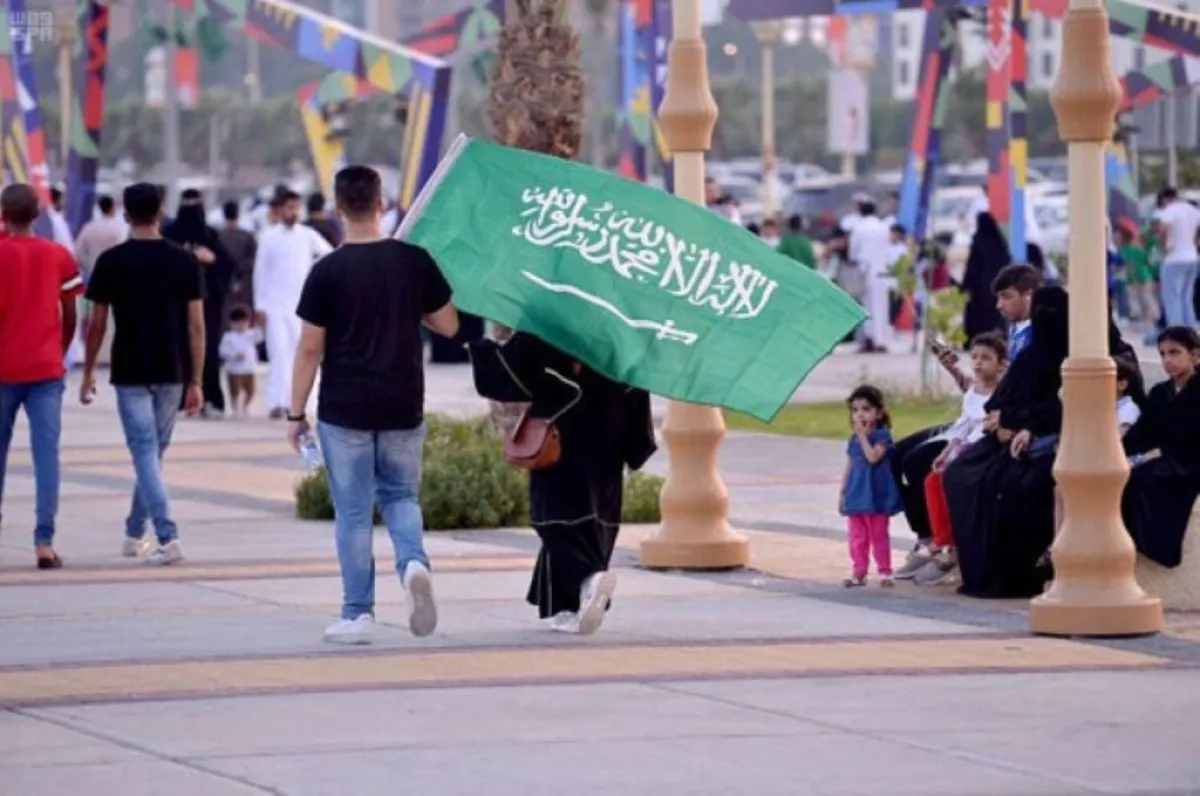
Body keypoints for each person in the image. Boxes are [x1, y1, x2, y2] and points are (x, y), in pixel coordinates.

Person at [288, 165, 459, 644]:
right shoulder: (414, 261)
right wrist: (410, 307)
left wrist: (295, 413)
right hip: (403, 402)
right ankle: (413, 564)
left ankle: (357, 614)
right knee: (402, 496)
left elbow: (309, 349)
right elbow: (449, 325)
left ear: (339, 208)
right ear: (381, 204)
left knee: (354, 512)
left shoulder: (326, 271)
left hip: (345, 408)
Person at [941, 287, 1129, 599]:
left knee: (1011, 483)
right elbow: (1002, 400)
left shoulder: (1085, 357)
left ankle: (1022, 575)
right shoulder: (1033, 353)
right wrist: (1000, 423)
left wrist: (1025, 426)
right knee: (961, 474)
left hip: (1056, 442)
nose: (1045, 319)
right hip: (1010, 438)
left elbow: (1065, 407)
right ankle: (976, 569)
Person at [469, 332, 656, 634]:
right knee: (597, 517)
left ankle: (588, 578)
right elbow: (635, 379)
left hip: (560, 431)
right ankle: (567, 607)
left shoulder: (552, 317)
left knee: (552, 518)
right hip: (608, 429)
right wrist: (635, 441)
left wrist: (482, 348)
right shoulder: (615, 323)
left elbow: (512, 371)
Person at [81, 183, 205, 566]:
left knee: (145, 452)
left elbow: (96, 324)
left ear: (126, 215)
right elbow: (196, 327)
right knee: (151, 452)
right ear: (161, 212)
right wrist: (196, 380)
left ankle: (166, 535)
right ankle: (135, 532)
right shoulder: (184, 261)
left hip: (129, 367)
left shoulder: (111, 261)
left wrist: (88, 371)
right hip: (172, 368)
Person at [0, 184, 84, 569]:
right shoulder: (57, 255)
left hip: (4, 368)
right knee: (46, 455)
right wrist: (59, 349)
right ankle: (44, 542)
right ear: (37, 215)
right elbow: (71, 313)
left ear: (3, 215)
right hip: (46, 369)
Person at [917, 333, 1008, 585]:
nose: (978, 363)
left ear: (1001, 364)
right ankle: (944, 542)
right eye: (975, 357)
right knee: (933, 479)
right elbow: (964, 424)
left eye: (986, 358)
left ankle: (954, 546)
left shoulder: (1002, 392)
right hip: (966, 445)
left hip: (986, 447)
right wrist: (948, 449)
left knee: (952, 479)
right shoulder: (972, 392)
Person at [1121, 326, 1200, 568]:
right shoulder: (1160, 392)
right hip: (1166, 458)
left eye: (1175, 353)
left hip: (1191, 461)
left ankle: (1153, 548)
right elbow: (1143, 432)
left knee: (1145, 480)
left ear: (1195, 355)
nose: (1167, 360)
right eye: (1163, 354)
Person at [254, 189, 334, 419]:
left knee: (303, 353)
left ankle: (303, 404)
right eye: (289, 208)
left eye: (296, 208)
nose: (293, 212)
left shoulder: (308, 235)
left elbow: (329, 255)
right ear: (281, 210)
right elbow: (260, 273)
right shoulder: (268, 237)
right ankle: (277, 402)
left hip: (302, 306)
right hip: (275, 306)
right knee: (279, 353)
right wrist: (260, 306)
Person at [164, 190, 236, 418]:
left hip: (207, 304)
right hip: (176, 305)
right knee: (178, 351)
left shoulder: (211, 236)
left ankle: (210, 399)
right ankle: (179, 400)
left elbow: (228, 267)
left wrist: (211, 259)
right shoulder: (169, 235)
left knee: (209, 351)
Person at [838, 385, 903, 588]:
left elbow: (873, 457)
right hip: (857, 493)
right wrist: (843, 492)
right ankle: (859, 571)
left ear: (879, 413)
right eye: (855, 410)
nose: (860, 414)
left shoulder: (882, 436)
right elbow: (850, 465)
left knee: (878, 534)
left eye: (866, 409)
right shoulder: (853, 440)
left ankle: (885, 571)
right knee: (857, 536)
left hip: (877, 495)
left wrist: (863, 436)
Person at [848, 197, 893, 353]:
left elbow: (853, 251)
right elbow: (888, 248)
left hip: (865, 270)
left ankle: (868, 339)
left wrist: (854, 260)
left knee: (867, 305)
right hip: (882, 270)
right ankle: (881, 339)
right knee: (881, 305)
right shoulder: (883, 227)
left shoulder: (859, 228)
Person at [961, 213, 1013, 341]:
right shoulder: (999, 243)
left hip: (979, 290)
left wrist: (965, 286)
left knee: (978, 319)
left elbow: (972, 266)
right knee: (995, 317)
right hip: (996, 289)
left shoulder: (978, 241)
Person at [1153, 187, 1200, 328]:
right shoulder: (1192, 210)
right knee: (1186, 297)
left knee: (1172, 297)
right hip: (1192, 257)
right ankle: (1191, 329)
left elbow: (1163, 228)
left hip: (1174, 258)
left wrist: (1163, 245)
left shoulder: (1170, 210)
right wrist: (1194, 243)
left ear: (1165, 200)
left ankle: (1176, 331)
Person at [219, 306, 262, 417]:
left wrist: (259, 323)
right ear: (231, 324)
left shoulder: (250, 335)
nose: (241, 326)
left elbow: (260, 336)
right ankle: (235, 407)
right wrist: (234, 355)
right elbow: (222, 351)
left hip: (249, 369)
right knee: (235, 391)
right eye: (237, 323)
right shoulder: (228, 337)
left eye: (243, 323)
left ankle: (245, 405)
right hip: (234, 370)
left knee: (251, 391)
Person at [74, 194, 127, 282]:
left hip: (93, 273)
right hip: (114, 274)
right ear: (112, 207)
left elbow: (78, 252)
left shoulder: (89, 227)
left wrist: (89, 264)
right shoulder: (119, 228)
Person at [219, 200, 258, 317]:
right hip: (245, 284)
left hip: (224, 284)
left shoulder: (218, 236)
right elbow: (255, 259)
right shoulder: (247, 236)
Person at [1118, 225, 1157, 324]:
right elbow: (1147, 263)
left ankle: (1137, 316)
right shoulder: (1140, 250)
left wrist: (1132, 277)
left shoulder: (1125, 250)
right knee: (1146, 297)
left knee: (1134, 297)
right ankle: (1152, 315)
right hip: (1146, 276)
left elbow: (1130, 266)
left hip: (1135, 277)